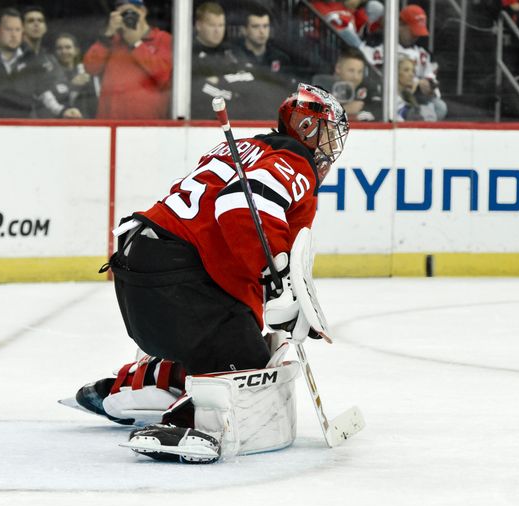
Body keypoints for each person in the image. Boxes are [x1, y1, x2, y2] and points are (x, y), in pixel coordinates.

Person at [69, 84, 350, 462]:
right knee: (251, 370)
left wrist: (279, 293)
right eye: (329, 137)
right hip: (174, 280)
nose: (332, 150)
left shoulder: (249, 148)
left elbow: (232, 246)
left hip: (142, 271)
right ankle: (191, 420)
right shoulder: (296, 162)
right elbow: (240, 207)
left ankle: (132, 387)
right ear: (307, 130)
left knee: (240, 344)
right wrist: (278, 282)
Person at [83, 0, 172, 119]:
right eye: (121, 14)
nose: (126, 18)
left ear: (143, 11)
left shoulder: (163, 39)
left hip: (148, 123)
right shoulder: (111, 41)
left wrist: (136, 44)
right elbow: (90, 67)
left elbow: (163, 75)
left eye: (129, 12)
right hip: (111, 122)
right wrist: (108, 34)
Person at [361, 4, 447, 120]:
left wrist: (429, 85)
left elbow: (432, 80)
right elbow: (370, 74)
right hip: (385, 97)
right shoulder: (376, 46)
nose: (416, 36)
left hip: (415, 99)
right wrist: (415, 83)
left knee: (440, 107)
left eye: (418, 32)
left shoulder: (424, 53)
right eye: (412, 31)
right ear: (400, 25)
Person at [21, 6, 82, 119]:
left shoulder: (49, 60)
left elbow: (61, 91)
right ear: (22, 27)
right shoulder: (17, 56)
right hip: (21, 123)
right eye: (30, 21)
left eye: (40, 20)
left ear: (45, 27)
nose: (36, 24)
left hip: (50, 122)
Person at [54, 32, 99, 118]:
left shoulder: (85, 72)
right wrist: (72, 85)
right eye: (59, 48)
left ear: (76, 51)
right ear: (55, 52)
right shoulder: (51, 73)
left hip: (84, 123)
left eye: (68, 47)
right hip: (60, 122)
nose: (64, 51)